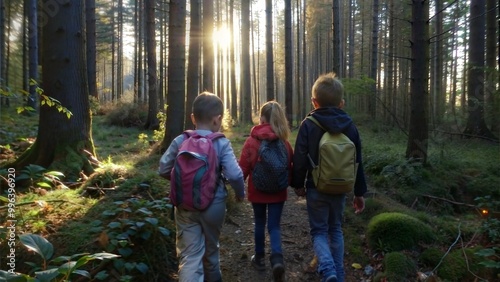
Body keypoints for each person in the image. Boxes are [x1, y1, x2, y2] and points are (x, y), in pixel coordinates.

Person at [159, 92, 245, 282]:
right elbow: (235, 175)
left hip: (184, 205)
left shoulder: (181, 140)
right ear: (218, 119)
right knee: (211, 251)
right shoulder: (221, 142)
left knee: (190, 256)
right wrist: (240, 194)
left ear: (192, 118)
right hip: (214, 205)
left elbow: (163, 167)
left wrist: (181, 182)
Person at [291, 73, 367, 282]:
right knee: (336, 229)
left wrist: (298, 184)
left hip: (316, 187)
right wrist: (359, 193)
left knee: (318, 231)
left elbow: (299, 157)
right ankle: (339, 274)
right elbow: (358, 162)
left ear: (314, 102)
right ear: (341, 103)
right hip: (341, 189)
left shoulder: (308, 124)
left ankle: (327, 269)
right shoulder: (350, 126)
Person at [238, 101, 293, 281]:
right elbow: (289, 166)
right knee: (274, 225)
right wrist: (291, 183)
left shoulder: (252, 141)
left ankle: (260, 258)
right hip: (278, 191)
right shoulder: (284, 143)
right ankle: (277, 259)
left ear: (262, 119)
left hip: (257, 191)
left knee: (260, 223)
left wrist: (238, 188)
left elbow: (243, 167)